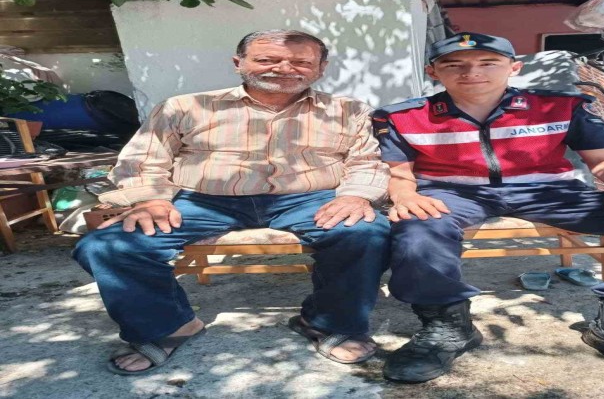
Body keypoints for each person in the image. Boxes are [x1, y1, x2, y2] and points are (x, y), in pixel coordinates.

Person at [373, 32, 604, 385]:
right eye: (455, 65)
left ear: (513, 68)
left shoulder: (560, 106)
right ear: (433, 71)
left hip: (548, 190)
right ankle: (447, 327)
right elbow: (399, 172)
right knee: (417, 228)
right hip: (454, 192)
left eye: (488, 63)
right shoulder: (405, 116)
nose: (472, 72)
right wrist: (404, 196)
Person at [74, 30, 391, 375]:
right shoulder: (184, 107)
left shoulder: (349, 110)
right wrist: (149, 199)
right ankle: (168, 326)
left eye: (301, 62)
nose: (284, 68)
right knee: (108, 246)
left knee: (364, 233)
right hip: (203, 200)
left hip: (309, 198)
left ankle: (326, 322)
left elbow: (366, 161)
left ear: (321, 68)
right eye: (267, 60)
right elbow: (143, 159)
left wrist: (356, 195)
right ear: (239, 63)